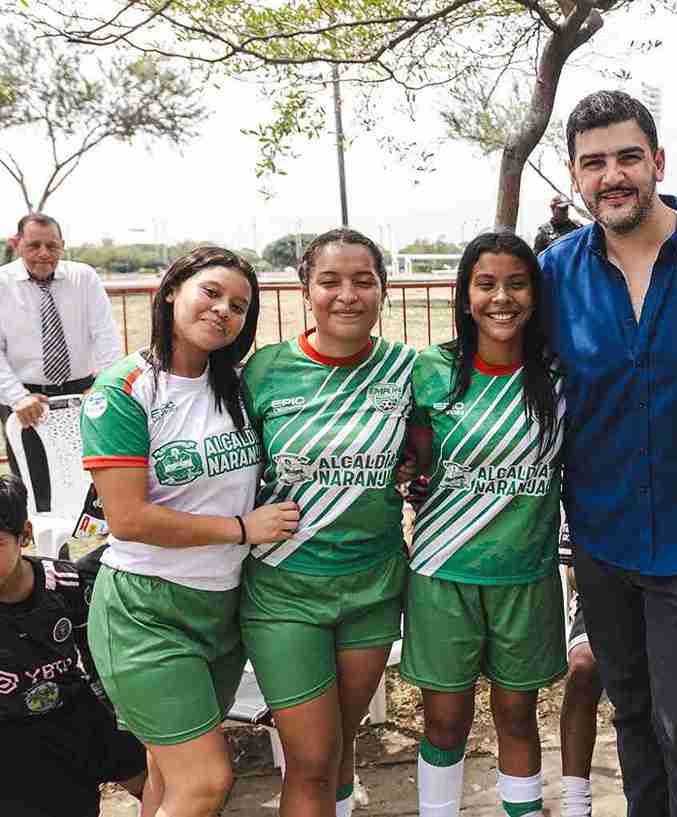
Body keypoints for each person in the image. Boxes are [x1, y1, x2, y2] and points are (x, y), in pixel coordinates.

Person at [537, 89, 677, 816]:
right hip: (601, 539)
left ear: (657, 160)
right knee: (630, 715)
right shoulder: (555, 272)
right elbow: (494, 361)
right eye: (594, 163)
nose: (612, 175)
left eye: (627, 157)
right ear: (574, 174)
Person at [81, 246, 297, 817]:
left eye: (239, 305)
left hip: (222, 610)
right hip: (145, 611)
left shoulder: (237, 388)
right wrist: (241, 529)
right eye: (211, 292)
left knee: (167, 772)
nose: (224, 310)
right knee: (205, 781)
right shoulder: (125, 390)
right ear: (172, 288)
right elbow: (127, 519)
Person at [241, 228, 415, 817]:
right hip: (284, 592)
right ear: (305, 289)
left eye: (363, 281)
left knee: (342, 743)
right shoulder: (263, 372)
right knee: (311, 757)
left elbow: (436, 442)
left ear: (383, 291)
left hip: (371, 586)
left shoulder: (407, 369)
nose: (348, 295)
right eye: (331, 281)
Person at [401, 230, 566, 817]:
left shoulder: (560, 376)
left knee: (518, 714)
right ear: (465, 295)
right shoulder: (429, 370)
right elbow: (412, 459)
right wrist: (410, 474)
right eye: (487, 284)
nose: (503, 297)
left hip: (526, 575)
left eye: (517, 284)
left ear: (536, 295)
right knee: (445, 719)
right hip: (444, 574)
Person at [0, 475, 147, 817]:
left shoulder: (67, 584)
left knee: (155, 775)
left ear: (25, 535)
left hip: (78, 710)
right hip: (13, 736)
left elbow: (103, 651)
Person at [0, 213, 123, 484]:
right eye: (34, 245)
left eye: (52, 246)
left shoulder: (84, 277)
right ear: (17, 244)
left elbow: (106, 336)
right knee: (35, 483)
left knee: (94, 479)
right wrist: (16, 397)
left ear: (62, 245)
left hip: (86, 392)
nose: (43, 254)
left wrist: (104, 386)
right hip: (25, 399)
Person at [557, 514, 604, 817]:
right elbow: (573, 572)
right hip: (603, 590)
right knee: (583, 670)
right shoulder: (588, 471)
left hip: (672, 584)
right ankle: (576, 806)